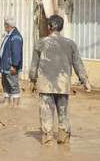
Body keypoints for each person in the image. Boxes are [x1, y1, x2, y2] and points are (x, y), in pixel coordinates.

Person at [29, 15, 91, 145]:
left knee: (46, 115)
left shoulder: (41, 43)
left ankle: (47, 143)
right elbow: (77, 63)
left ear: (49, 27)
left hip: (45, 85)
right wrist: (85, 81)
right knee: (63, 114)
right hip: (63, 85)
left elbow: (34, 66)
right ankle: (63, 140)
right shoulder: (70, 44)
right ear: (61, 28)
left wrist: (33, 80)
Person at [0, 17, 23, 107]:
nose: (4, 26)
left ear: (8, 26)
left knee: (13, 85)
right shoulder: (9, 35)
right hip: (5, 65)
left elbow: (16, 53)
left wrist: (14, 65)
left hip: (11, 66)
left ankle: (15, 105)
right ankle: (6, 102)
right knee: (5, 84)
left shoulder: (15, 37)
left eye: (5, 24)